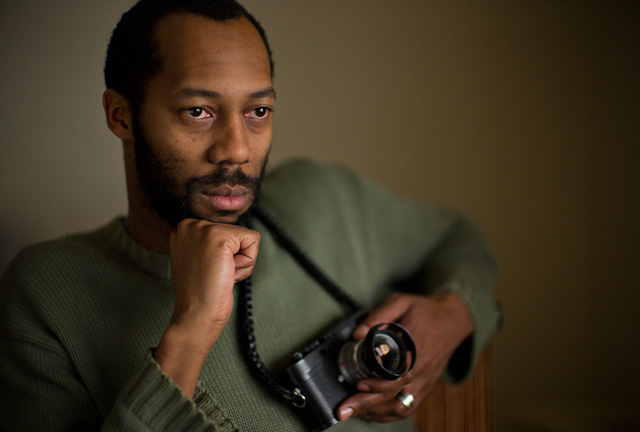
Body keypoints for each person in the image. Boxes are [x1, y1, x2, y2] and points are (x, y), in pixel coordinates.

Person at [0, 0, 502, 431]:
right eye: (199, 111)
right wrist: (191, 331)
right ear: (121, 115)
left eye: (257, 111)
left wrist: (451, 316)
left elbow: (461, 239)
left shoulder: (324, 198)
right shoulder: (45, 296)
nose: (237, 150)